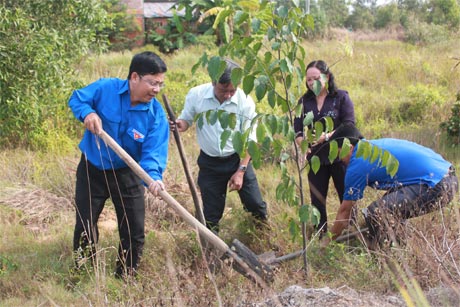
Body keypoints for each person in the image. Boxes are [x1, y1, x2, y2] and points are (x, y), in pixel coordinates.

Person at [68, 51, 169, 278]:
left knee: (134, 230)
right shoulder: (106, 88)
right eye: (152, 83)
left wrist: (153, 177)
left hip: (128, 172)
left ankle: (125, 278)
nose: (156, 90)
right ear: (134, 77)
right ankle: (83, 273)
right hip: (92, 168)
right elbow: (77, 98)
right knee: (85, 224)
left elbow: (154, 152)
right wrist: (88, 113)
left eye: (160, 84)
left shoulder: (156, 115)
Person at [322, 123, 458, 248]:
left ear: (350, 147)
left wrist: (326, 243)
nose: (339, 159)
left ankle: (385, 259)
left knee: (377, 212)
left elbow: (345, 212)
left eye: (339, 153)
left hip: (438, 184)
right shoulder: (370, 146)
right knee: (389, 207)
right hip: (447, 176)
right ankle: (401, 247)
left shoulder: (357, 163)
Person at [171, 58, 268, 233]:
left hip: (237, 160)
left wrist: (240, 171)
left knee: (255, 205)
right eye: (224, 90)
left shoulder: (245, 101)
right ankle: (211, 251)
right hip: (209, 163)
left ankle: (262, 236)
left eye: (233, 90)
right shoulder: (197, 95)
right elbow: (187, 119)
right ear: (213, 82)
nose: (228, 95)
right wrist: (179, 125)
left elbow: (251, 140)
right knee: (211, 215)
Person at [293, 60, 355, 235]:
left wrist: (326, 136)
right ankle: (320, 236)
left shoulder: (341, 97)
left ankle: (352, 235)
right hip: (316, 158)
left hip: (340, 155)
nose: (312, 83)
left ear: (326, 77)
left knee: (346, 196)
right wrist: (302, 144)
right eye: (308, 80)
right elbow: (297, 129)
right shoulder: (304, 101)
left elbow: (349, 125)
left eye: (316, 78)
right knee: (317, 200)